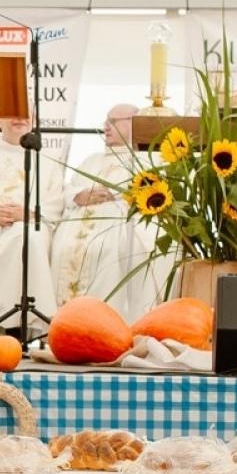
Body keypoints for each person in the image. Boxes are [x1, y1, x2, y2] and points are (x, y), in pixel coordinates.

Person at [50, 104, 168, 322]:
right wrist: (79, 195)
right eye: (106, 121)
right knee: (60, 247)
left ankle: (105, 323)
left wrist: (115, 196)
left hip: (118, 221)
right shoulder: (91, 160)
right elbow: (66, 190)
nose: (106, 126)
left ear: (135, 123)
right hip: (78, 220)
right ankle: (64, 324)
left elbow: (149, 197)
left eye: (114, 121)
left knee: (109, 249)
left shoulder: (146, 160)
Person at [0, 116, 60, 333]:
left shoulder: (47, 158)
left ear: (34, 118)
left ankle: (21, 327)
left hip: (28, 223)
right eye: (12, 112)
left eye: (26, 113)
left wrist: (28, 213)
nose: (20, 119)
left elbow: (56, 203)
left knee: (29, 238)